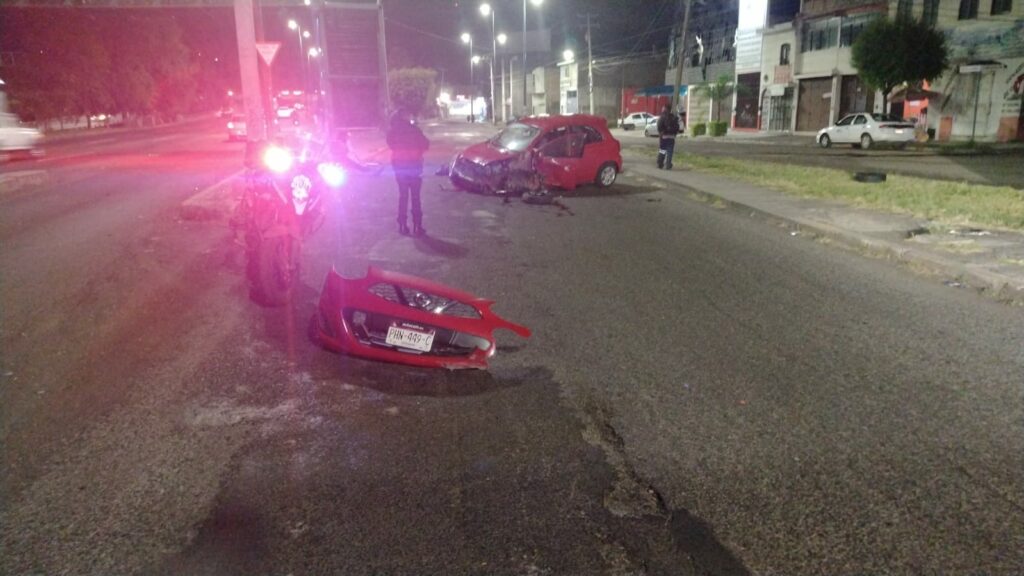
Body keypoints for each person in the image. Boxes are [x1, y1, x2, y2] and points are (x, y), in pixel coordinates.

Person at [386, 107, 430, 236]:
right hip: (414, 165)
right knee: (415, 197)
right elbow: (426, 144)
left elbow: (390, 144)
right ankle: (417, 225)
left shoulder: (392, 131)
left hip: (399, 166)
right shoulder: (414, 130)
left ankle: (402, 224)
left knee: (403, 195)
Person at [656, 104, 681, 170]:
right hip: (672, 137)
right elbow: (677, 127)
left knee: (662, 150)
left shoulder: (662, 116)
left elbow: (659, 126)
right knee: (670, 151)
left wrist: (661, 133)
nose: (662, 109)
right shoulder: (673, 117)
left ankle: (660, 164)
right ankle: (668, 164)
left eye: (662, 108)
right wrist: (674, 133)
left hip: (664, 136)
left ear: (665, 108)